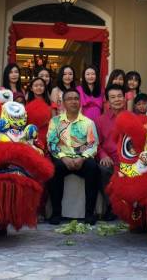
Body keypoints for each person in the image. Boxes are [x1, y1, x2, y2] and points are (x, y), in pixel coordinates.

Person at [46, 88, 100, 226]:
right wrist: (63, 158)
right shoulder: (55, 121)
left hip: (82, 158)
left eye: (76, 98)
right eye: (69, 99)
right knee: (53, 169)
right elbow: (51, 143)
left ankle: (89, 214)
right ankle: (56, 213)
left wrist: (82, 158)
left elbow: (92, 144)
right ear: (63, 103)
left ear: (80, 102)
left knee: (93, 168)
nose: (73, 101)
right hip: (62, 158)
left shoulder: (88, 122)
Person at [95, 84, 126, 221]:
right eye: (113, 97)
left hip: (129, 160)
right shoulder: (100, 120)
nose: (117, 99)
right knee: (103, 169)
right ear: (107, 101)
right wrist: (103, 155)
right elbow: (97, 144)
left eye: (119, 96)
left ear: (124, 98)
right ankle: (112, 207)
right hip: (111, 160)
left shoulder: (132, 118)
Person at [26, 77, 52, 153]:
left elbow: (53, 121)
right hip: (31, 136)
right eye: (36, 85)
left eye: (41, 85)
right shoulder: (27, 103)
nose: (39, 87)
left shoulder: (50, 103)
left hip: (47, 135)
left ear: (44, 88)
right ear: (31, 88)